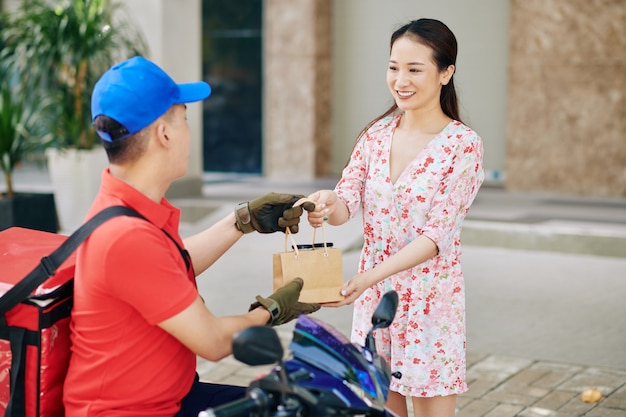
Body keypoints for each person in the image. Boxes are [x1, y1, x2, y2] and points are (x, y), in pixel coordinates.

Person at [62, 56, 319, 417]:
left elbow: (170, 264)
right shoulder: (125, 236)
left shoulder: (127, 206)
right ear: (164, 134)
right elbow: (213, 341)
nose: (188, 130)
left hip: (173, 398)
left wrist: (242, 222)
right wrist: (272, 309)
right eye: (184, 118)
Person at [306, 19, 485, 417]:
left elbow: (435, 237)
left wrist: (367, 278)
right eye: (393, 67)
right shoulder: (375, 135)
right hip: (374, 300)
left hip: (428, 303)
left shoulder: (462, 146)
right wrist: (325, 203)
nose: (400, 80)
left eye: (414, 69)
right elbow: (345, 202)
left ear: (446, 73)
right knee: (382, 412)